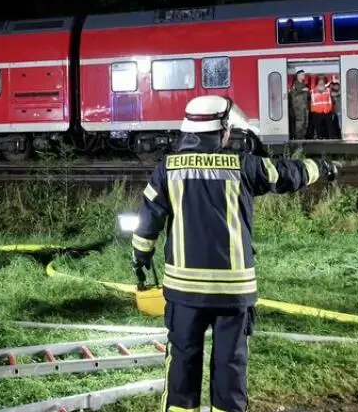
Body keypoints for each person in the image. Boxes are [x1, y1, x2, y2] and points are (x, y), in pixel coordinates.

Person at [130, 95, 338, 412]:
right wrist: (322, 167)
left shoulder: (167, 169)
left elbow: (147, 223)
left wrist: (141, 259)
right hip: (233, 292)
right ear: (224, 131)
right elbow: (286, 173)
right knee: (230, 366)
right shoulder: (243, 165)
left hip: (185, 293)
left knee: (183, 363)